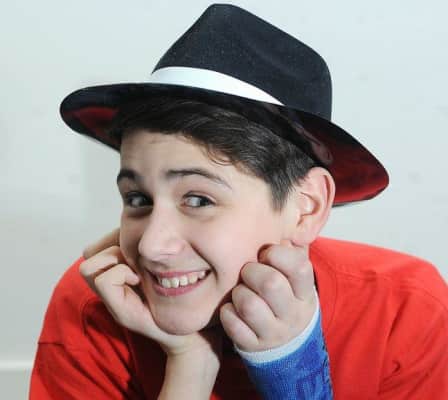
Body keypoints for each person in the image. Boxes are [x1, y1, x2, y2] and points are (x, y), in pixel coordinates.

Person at [30, 4, 448, 400]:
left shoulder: (403, 309)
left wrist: (291, 372)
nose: (152, 246)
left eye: (198, 199)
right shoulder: (95, 303)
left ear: (306, 207)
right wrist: (189, 365)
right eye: (137, 198)